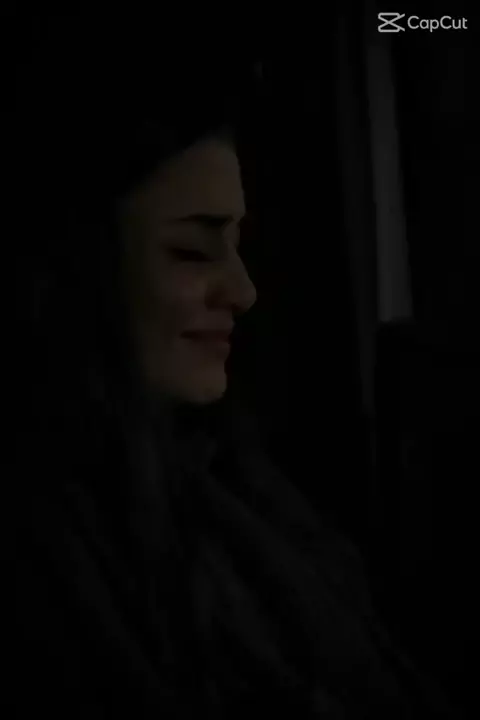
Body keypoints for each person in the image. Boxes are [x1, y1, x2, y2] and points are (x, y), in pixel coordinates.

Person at [11, 13, 462, 718]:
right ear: (77, 276)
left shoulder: (231, 482)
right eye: (192, 252)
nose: (244, 292)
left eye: (237, 246)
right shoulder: (48, 554)